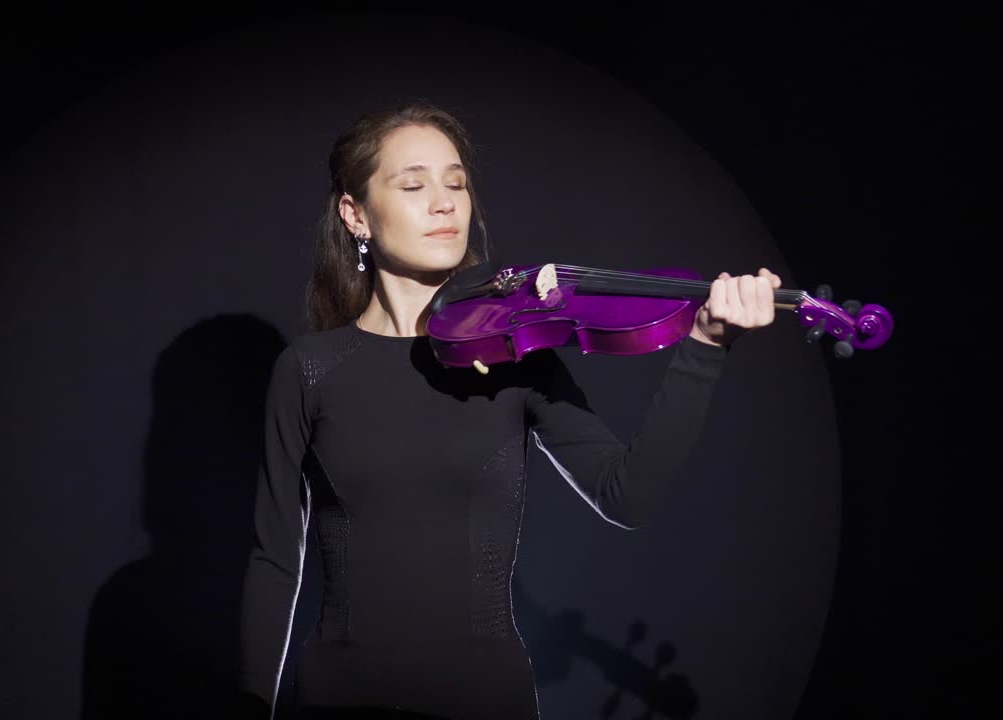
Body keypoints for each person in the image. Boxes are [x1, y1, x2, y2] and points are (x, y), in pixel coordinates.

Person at [235, 102, 781, 719]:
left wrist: (704, 348)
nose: (445, 203)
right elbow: (276, 559)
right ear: (355, 213)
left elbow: (626, 495)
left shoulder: (519, 354)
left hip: (486, 702)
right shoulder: (309, 369)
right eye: (414, 185)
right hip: (338, 701)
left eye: (457, 184)